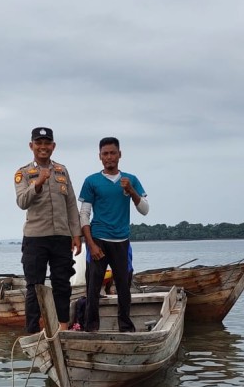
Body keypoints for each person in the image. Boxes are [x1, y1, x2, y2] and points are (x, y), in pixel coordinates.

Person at [14, 127, 82, 333]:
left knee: (62, 283)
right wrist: (38, 183)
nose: (43, 147)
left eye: (47, 143)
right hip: (35, 238)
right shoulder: (23, 173)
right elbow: (21, 202)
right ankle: (33, 330)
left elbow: (71, 203)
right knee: (35, 286)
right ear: (31, 146)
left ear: (53, 146)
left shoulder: (62, 170)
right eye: (38, 143)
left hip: (61, 237)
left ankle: (63, 328)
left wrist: (76, 234)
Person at [78, 137, 149, 332]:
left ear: (120, 154)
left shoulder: (130, 180)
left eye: (112, 153)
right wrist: (91, 245)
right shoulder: (91, 181)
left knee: (124, 288)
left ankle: (125, 327)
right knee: (93, 288)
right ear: (100, 157)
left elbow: (144, 209)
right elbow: (84, 214)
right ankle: (90, 328)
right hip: (98, 240)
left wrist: (131, 190)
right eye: (105, 154)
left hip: (122, 241)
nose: (109, 157)